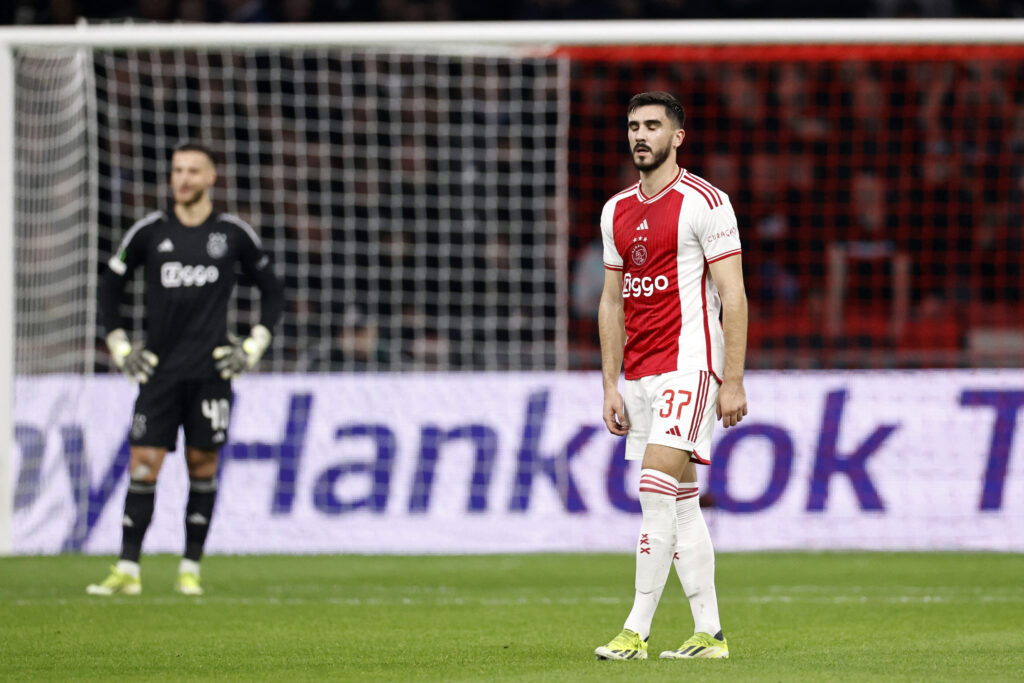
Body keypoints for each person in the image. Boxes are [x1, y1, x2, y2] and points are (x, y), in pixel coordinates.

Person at [86, 143, 283, 596]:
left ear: (212, 177)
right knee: (143, 464)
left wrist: (253, 346)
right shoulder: (149, 232)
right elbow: (109, 287)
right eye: (177, 170)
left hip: (212, 372)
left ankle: (190, 568)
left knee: (202, 462)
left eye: (193, 171)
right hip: (159, 372)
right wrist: (118, 344)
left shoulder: (232, 235)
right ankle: (127, 571)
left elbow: (273, 292)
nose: (183, 178)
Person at [593, 92, 748, 660]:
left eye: (653, 126)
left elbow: (733, 294)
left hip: (692, 366)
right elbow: (612, 301)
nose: (641, 135)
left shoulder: (707, 202)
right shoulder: (615, 210)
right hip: (639, 375)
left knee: (653, 491)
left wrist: (732, 379)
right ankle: (710, 634)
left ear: (677, 136)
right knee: (680, 502)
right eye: (633, 125)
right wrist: (610, 383)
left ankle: (635, 630)